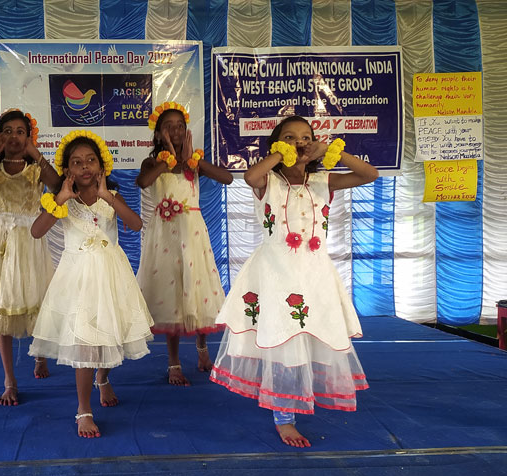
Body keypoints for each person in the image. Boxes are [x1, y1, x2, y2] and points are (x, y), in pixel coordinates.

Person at [209, 115, 379, 447]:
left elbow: (369, 174)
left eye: (305, 137)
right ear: (276, 143)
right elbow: (250, 175)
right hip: (276, 275)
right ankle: (284, 417)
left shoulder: (323, 181)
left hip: (314, 276)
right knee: (284, 343)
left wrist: (330, 152)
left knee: (308, 339)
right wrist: (280, 154)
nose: (299, 142)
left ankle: (295, 401)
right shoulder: (267, 182)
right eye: (290, 137)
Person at [28, 130, 154, 438]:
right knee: (84, 341)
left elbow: (136, 224)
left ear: (101, 165)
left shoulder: (111, 195)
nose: (84, 167)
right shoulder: (61, 201)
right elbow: (36, 231)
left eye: (90, 160)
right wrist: (60, 199)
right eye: (76, 162)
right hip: (78, 277)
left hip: (112, 275)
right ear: (67, 170)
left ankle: (103, 377)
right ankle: (83, 409)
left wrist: (107, 196)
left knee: (113, 334)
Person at [0, 109, 61, 406]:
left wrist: (37, 154)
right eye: (7, 131)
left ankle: (40, 354)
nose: (14, 137)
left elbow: (57, 184)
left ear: (29, 137)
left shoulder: (35, 170)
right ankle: (9, 379)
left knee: (35, 302)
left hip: (27, 243)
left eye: (21, 131)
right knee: (1, 311)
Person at [136, 101, 233, 386]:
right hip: (164, 237)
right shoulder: (152, 162)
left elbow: (227, 178)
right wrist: (167, 160)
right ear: (158, 133)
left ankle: (203, 350)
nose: (176, 131)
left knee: (197, 289)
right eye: (169, 127)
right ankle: (174, 362)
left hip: (192, 235)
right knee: (172, 295)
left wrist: (196, 161)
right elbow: (143, 182)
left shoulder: (194, 162)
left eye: (180, 126)